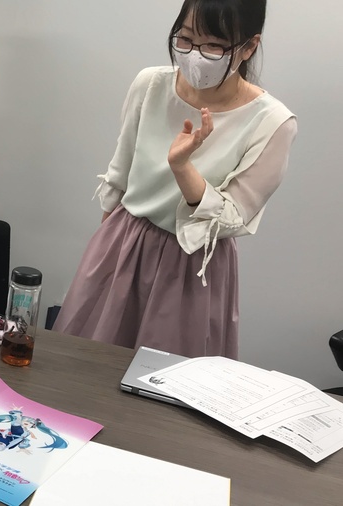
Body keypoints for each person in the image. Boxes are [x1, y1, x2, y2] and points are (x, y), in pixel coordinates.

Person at [54, 0, 296, 359]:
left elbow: (233, 218)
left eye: (214, 45)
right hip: (123, 244)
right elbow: (119, 176)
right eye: (184, 39)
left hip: (191, 269)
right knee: (85, 364)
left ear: (249, 47)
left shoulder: (272, 122)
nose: (195, 55)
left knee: (164, 381)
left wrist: (183, 169)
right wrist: (99, 260)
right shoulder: (150, 84)